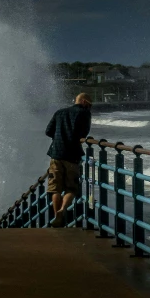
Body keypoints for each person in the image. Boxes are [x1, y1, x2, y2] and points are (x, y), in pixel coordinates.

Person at [45, 92, 92, 227]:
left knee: (55, 189)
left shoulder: (60, 112)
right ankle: (62, 209)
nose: (89, 108)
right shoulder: (84, 113)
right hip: (72, 155)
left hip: (56, 154)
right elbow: (84, 133)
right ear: (83, 101)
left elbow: (48, 131)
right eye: (89, 105)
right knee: (71, 188)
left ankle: (57, 217)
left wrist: (60, 136)